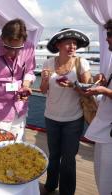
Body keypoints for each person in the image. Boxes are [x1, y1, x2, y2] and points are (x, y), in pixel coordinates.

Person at [40, 28, 91, 195]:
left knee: (68, 159)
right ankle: (50, 184)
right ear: (58, 44)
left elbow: (88, 90)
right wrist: (46, 79)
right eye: (68, 42)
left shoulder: (81, 63)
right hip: (51, 117)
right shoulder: (48, 63)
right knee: (54, 155)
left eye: (75, 43)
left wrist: (72, 85)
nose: (72, 46)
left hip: (73, 119)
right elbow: (43, 90)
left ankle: (67, 192)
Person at [83, 19, 112, 195]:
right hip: (104, 128)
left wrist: (103, 90)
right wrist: (104, 81)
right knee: (101, 176)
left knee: (107, 181)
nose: (106, 39)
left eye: (109, 34)